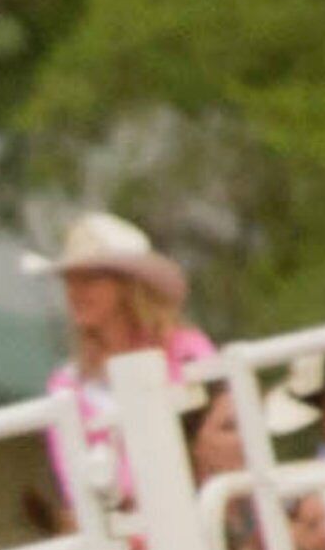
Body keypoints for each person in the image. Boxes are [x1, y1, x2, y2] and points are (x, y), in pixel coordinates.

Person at [28, 210, 214, 511]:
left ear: (128, 286)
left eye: (91, 279)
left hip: (198, 511)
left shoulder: (186, 350)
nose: (75, 292)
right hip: (121, 536)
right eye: (70, 280)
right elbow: (76, 485)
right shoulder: (67, 385)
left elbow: (215, 437)